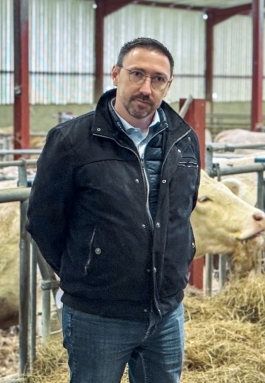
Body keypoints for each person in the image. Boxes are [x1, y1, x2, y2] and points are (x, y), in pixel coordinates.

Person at [27, 37, 200, 383]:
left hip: (165, 311)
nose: (146, 88)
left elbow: (184, 209)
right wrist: (87, 271)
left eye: (158, 79)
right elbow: (44, 221)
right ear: (116, 74)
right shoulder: (71, 140)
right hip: (98, 315)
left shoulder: (184, 140)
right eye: (137, 74)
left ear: (168, 85)